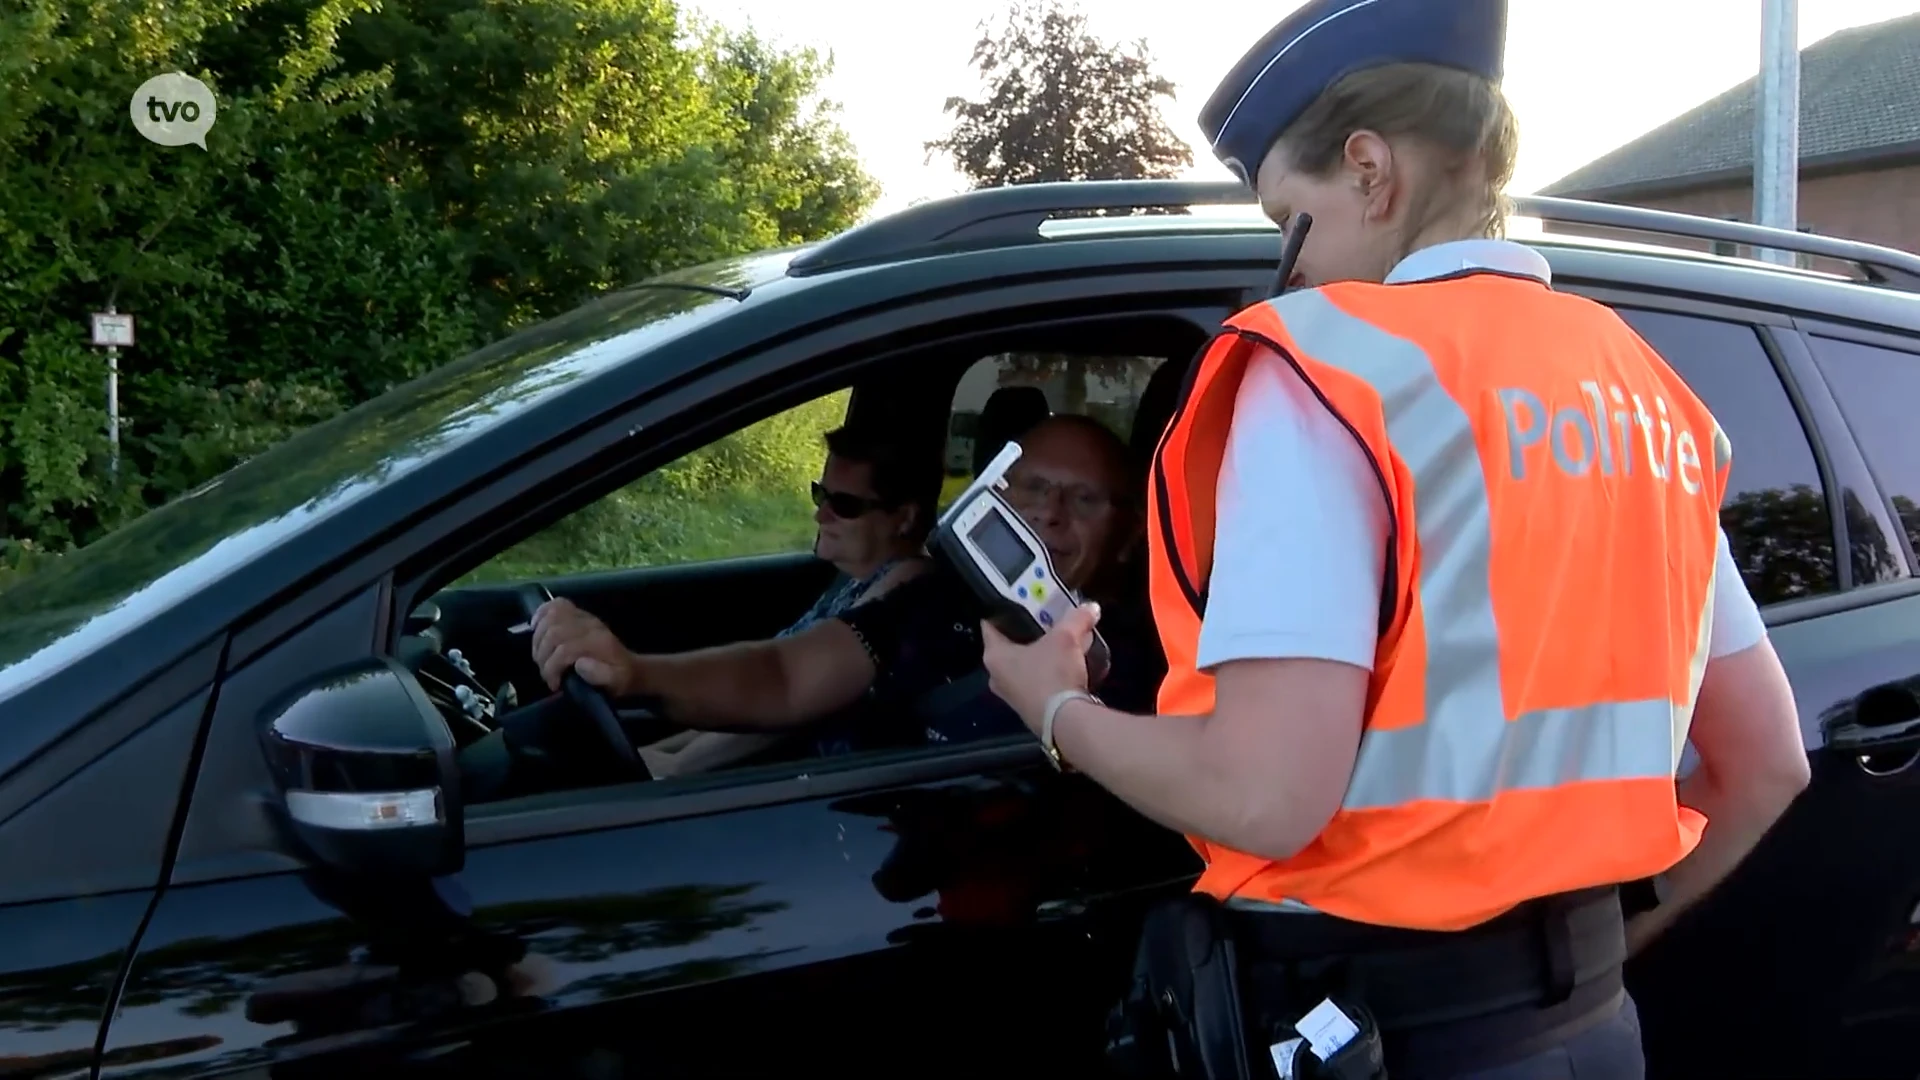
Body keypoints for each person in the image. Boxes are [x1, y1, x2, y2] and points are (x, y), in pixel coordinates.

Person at [976, 2, 1811, 1078]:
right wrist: (1581, 976)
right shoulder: (1643, 390)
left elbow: (1264, 797)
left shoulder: (1328, 372)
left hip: (1382, 1034)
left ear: (1370, 168)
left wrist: (1052, 706)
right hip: (1592, 1030)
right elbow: (1766, 767)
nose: (1292, 268)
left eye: (1291, 219)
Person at [523, 414, 1164, 780]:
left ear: (1130, 536)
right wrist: (635, 673)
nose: (1049, 514)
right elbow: (787, 673)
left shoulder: (1148, 670)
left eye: (1083, 498)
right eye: (1032, 489)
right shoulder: (936, 598)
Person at [638, 424, 939, 776]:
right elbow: (747, 705)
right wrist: (654, 754)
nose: (820, 515)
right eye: (821, 496)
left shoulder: (904, 588)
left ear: (903, 518)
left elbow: (788, 703)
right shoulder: (857, 581)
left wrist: (672, 766)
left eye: (844, 505)